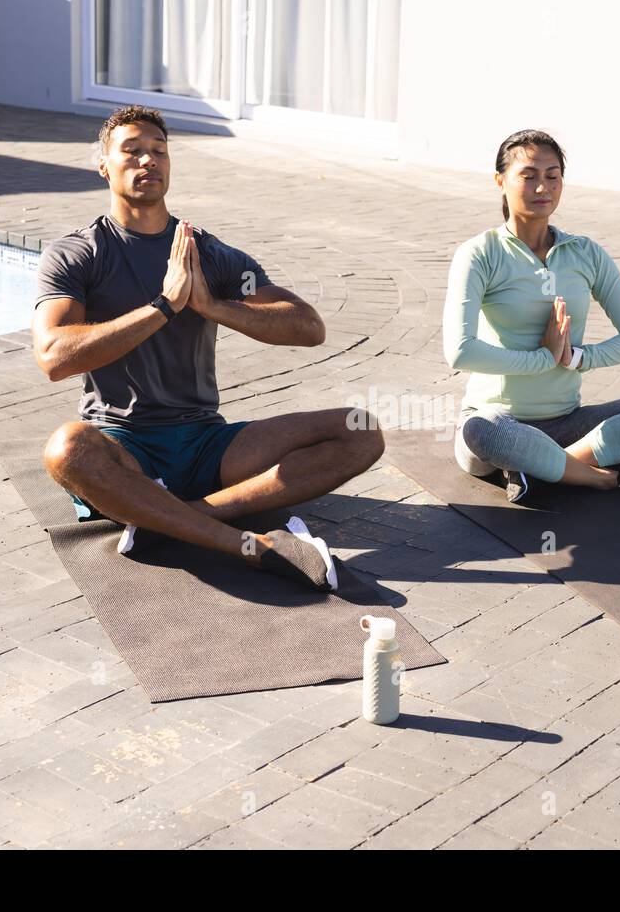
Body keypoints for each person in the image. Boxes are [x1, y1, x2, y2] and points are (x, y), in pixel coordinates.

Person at [32, 105, 384, 591]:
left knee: (361, 429)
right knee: (67, 449)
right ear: (104, 166)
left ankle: (175, 518)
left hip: (206, 444)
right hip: (124, 445)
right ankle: (245, 546)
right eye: (131, 151)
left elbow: (307, 326)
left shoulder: (208, 253)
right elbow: (53, 357)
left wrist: (212, 305)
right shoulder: (78, 253)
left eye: (158, 151)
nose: (147, 161)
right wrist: (163, 307)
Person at [442, 129, 620, 504]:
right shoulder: (480, 253)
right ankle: (601, 478)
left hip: (566, 424)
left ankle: (545, 470)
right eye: (528, 175)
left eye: (553, 176)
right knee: (481, 430)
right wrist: (544, 358)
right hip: (499, 422)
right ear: (500, 181)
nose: (542, 187)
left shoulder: (585, 253)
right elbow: (460, 351)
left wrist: (578, 358)